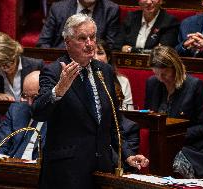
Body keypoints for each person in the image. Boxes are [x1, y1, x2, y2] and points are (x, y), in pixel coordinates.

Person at [32, 13, 149, 189]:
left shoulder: (104, 71)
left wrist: (127, 154)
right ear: (67, 42)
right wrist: (59, 90)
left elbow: (114, 122)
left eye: (92, 37)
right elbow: (39, 112)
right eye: (82, 38)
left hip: (101, 168)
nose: (89, 44)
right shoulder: (54, 72)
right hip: (66, 171)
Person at [144, 45, 203, 179]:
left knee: (173, 165)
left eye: (164, 73)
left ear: (175, 67)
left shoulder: (194, 86)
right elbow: (147, 118)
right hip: (159, 146)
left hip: (189, 148)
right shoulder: (152, 83)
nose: (161, 78)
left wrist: (175, 136)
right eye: (156, 73)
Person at [0, 71, 47, 160]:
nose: (29, 103)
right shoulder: (16, 111)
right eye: (25, 96)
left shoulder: (58, 116)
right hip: (10, 168)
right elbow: (1, 145)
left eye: (34, 97)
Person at [36, 0, 119, 49]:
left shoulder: (110, 10)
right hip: (61, 58)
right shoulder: (58, 8)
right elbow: (43, 43)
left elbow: (110, 45)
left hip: (92, 60)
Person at [0, 32, 43, 102]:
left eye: (10, 61)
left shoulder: (35, 66)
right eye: (2, 64)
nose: (7, 68)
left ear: (15, 52)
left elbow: (48, 95)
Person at [113, 0, 179, 53]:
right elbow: (116, 45)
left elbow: (162, 51)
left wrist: (130, 49)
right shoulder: (131, 17)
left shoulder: (169, 22)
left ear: (161, 1)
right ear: (139, 1)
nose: (148, 2)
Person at [95, 39, 133, 110]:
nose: (96, 58)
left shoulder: (123, 81)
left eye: (100, 53)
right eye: (92, 54)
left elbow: (128, 111)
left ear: (108, 57)